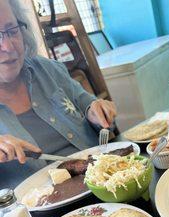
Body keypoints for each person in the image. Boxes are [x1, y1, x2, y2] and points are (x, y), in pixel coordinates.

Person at [0, 0, 117, 188]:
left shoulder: (46, 69)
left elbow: (90, 106)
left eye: (12, 30)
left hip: (105, 179)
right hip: (40, 210)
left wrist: (97, 112)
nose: (8, 46)